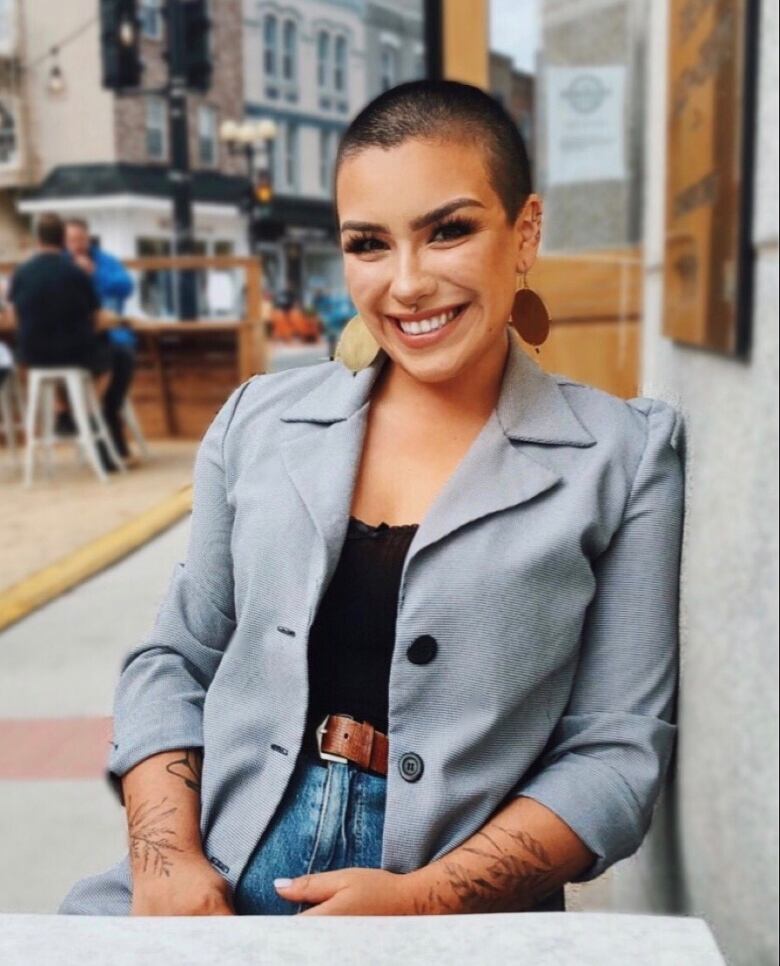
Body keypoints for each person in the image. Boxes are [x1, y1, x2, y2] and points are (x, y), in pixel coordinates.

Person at [60, 81, 684, 917]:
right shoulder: (260, 420)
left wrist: (425, 901)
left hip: (459, 909)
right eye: (368, 244)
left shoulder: (623, 456)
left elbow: (614, 753)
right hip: (220, 874)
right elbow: (176, 660)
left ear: (524, 231)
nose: (408, 283)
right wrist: (166, 856)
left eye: (449, 230)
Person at [7, 213, 134, 466]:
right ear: (62, 240)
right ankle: (86, 414)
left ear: (37, 238)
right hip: (76, 353)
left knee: (55, 367)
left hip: (32, 356)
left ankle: (64, 411)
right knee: (112, 360)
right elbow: (96, 318)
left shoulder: (22, 273)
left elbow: (13, 318)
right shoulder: (75, 273)